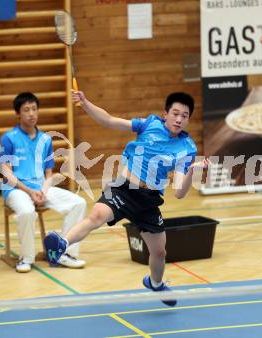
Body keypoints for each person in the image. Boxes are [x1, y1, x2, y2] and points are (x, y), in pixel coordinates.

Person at [44, 91, 209, 306]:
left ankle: (156, 284)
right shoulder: (149, 124)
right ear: (165, 114)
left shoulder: (187, 148)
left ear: (188, 119)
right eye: (175, 113)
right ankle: (61, 244)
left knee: (159, 253)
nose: (179, 119)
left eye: (185, 116)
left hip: (148, 200)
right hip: (124, 188)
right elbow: (110, 121)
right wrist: (85, 103)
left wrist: (192, 171)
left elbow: (179, 192)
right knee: (97, 216)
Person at [0, 92, 87, 273]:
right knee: (26, 211)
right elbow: (6, 173)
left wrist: (43, 191)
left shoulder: (45, 139)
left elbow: (49, 173)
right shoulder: (9, 138)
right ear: (18, 114)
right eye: (26, 110)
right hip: (16, 189)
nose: (31, 114)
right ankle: (26, 258)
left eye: (34, 109)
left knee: (79, 203)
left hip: (41, 188)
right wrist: (30, 193)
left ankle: (64, 252)